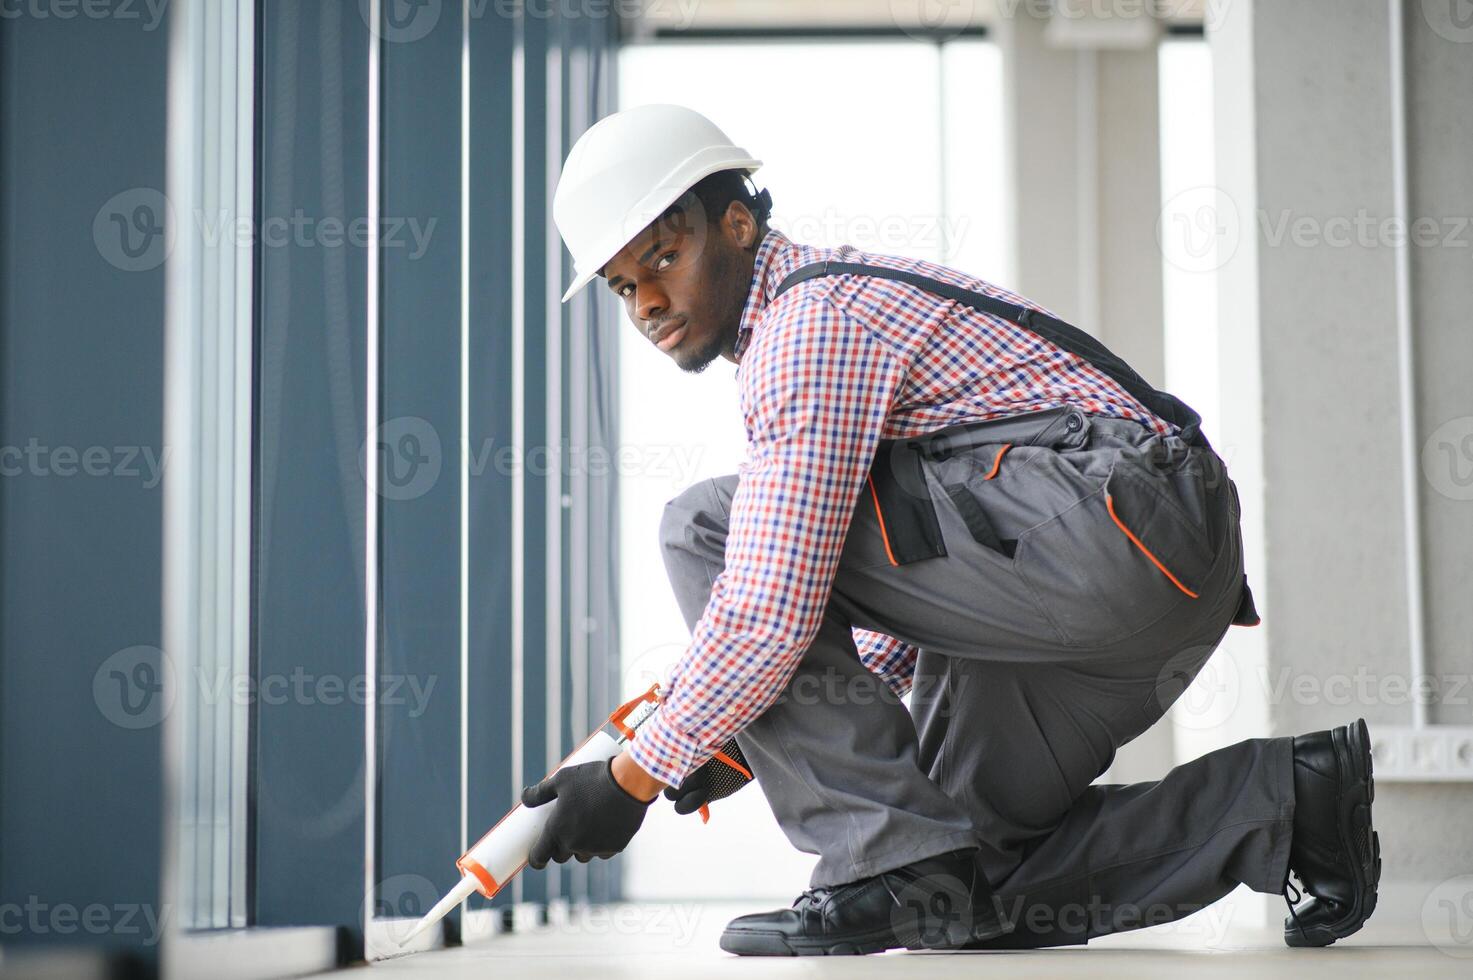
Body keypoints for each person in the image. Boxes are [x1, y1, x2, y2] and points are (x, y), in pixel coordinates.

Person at [518, 103, 1379, 956]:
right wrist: (747, 733)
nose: (649, 301)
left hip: (1112, 536)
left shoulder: (806, 328)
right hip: (1112, 575)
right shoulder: (813, 333)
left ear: (737, 223)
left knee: (709, 528)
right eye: (626, 285)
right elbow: (913, 583)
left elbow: (770, 604)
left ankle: (877, 864)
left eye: (664, 258)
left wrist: (637, 775)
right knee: (952, 880)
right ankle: (1286, 801)